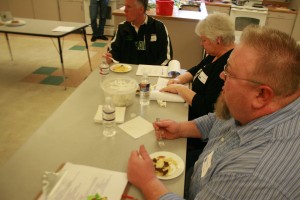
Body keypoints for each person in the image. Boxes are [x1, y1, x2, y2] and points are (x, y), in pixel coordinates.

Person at [127, 25, 300, 200]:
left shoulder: (252, 174)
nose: (221, 76)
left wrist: (148, 182)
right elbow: (220, 119)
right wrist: (180, 129)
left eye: (230, 72)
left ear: (262, 94)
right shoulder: (259, 105)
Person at [161, 13, 235, 168]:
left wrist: (180, 89)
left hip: (198, 130)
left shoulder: (225, 66)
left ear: (218, 40)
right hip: (187, 112)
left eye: (204, 40)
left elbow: (206, 106)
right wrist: (179, 79)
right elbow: (196, 69)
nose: (201, 44)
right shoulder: (215, 54)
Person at [104, 0, 173, 65]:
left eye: (129, 7)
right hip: (126, 74)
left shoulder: (158, 27)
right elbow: (113, 51)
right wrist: (110, 57)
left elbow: (166, 58)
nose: (125, 10)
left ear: (141, 9)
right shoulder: (122, 28)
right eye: (125, 6)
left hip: (151, 74)